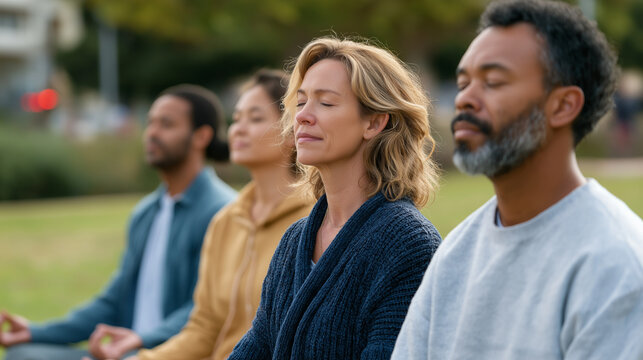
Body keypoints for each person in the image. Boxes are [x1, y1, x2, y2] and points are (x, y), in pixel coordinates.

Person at [392, 1, 643, 359]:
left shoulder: (616, 265)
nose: (465, 99)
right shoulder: (456, 253)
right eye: (463, 83)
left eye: (493, 81)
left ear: (562, 105)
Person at [228, 37, 442, 360]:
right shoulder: (295, 240)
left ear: (374, 122)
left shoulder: (408, 245)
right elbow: (256, 345)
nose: (302, 117)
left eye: (325, 103)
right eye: (301, 103)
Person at [0, 85, 237, 360]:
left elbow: (204, 311)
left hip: (167, 354)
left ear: (201, 136)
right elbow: (114, 300)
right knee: (23, 354)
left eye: (167, 124)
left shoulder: (223, 212)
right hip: (124, 352)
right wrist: (36, 332)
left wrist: (139, 340)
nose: (152, 133)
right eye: (150, 123)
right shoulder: (146, 212)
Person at [128, 69, 314, 360]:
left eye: (254, 118)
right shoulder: (226, 221)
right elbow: (204, 328)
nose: (237, 129)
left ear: (293, 130)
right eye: (236, 118)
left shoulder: (317, 220)